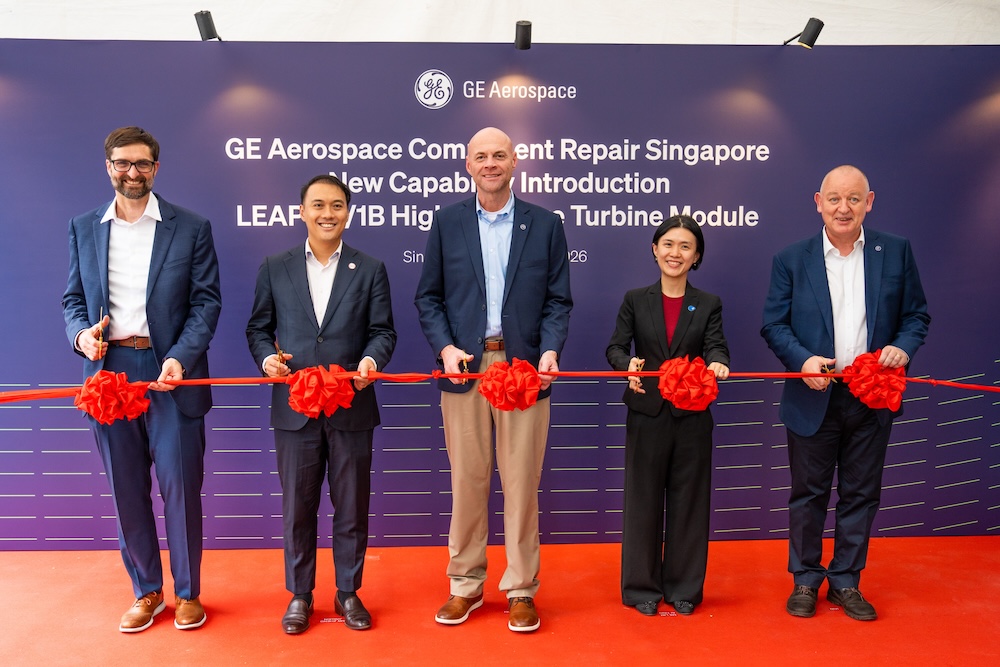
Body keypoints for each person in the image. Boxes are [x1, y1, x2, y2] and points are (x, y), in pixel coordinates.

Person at [62, 126, 222, 632]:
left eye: (142, 164)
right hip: (109, 377)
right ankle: (147, 591)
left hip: (171, 373)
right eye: (122, 163)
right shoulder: (84, 227)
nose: (133, 172)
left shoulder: (191, 227)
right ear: (108, 166)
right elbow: (72, 300)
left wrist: (180, 358)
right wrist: (81, 336)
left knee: (181, 488)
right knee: (126, 490)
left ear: (156, 167)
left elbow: (206, 303)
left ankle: (189, 593)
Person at [414, 127, 573, 633]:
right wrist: (445, 348)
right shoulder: (447, 222)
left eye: (499, 155)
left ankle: (521, 588)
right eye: (481, 156)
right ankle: (465, 584)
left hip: (524, 369)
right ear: (467, 164)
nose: (490, 163)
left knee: (522, 482)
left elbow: (558, 301)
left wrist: (549, 351)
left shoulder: (545, 224)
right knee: (468, 480)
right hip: (464, 367)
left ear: (514, 161)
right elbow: (428, 298)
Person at [761, 165, 930, 621]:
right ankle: (805, 580)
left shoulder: (895, 251)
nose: (843, 208)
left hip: (873, 395)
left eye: (853, 199)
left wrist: (902, 347)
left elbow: (916, 316)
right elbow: (774, 325)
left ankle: (846, 582)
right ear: (818, 202)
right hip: (813, 395)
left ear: (868, 203)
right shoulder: (791, 258)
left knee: (861, 494)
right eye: (834, 198)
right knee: (808, 494)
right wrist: (802, 361)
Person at [246, 174, 396, 634]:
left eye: (336, 205)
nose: (327, 214)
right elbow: (257, 329)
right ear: (302, 211)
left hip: (352, 404)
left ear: (347, 212)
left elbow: (383, 332)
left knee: (351, 506)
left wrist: (371, 361)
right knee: (298, 506)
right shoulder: (276, 266)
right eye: (318, 205)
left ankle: (348, 591)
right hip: (294, 407)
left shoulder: (370, 268)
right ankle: (300, 594)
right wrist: (267, 359)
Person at [606, 215, 730, 617]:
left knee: (689, 501)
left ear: (697, 257)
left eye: (685, 246)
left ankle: (684, 588)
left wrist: (718, 363)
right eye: (668, 244)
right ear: (655, 250)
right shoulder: (635, 298)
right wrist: (627, 364)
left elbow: (716, 346)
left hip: (692, 414)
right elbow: (615, 348)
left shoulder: (708, 303)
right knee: (642, 501)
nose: (675, 253)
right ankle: (641, 587)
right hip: (647, 412)